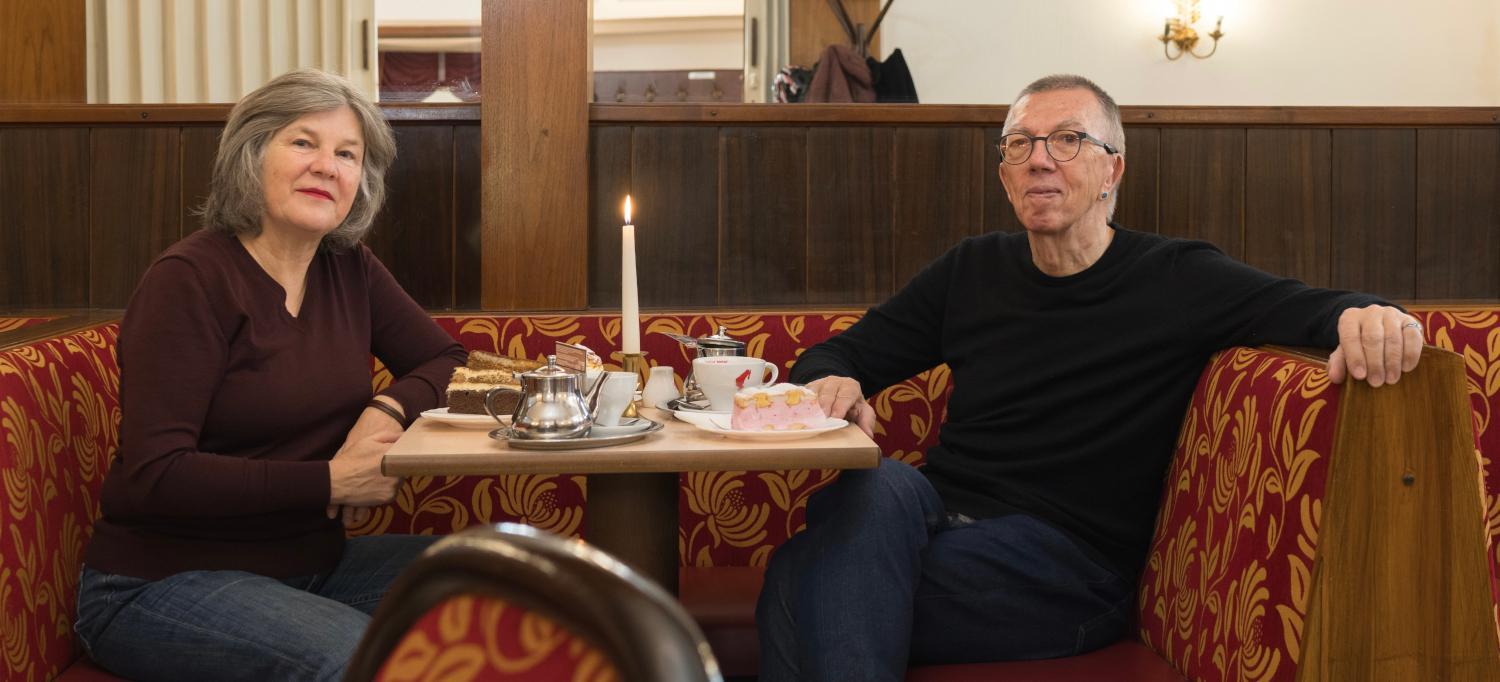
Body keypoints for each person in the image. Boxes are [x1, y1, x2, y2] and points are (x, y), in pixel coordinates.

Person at [755, 74, 1424, 680]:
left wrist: (1371, 317)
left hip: (1069, 569)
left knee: (799, 575)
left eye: (1068, 140)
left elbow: (1311, 307)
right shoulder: (972, 270)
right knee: (876, 484)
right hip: (936, 520)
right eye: (1020, 145)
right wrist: (834, 381)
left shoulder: (1176, 278)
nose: (1040, 159)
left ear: (1112, 169)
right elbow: (838, 354)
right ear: (1005, 176)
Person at [74, 69, 467, 680]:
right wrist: (331, 481)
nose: (326, 166)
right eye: (303, 142)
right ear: (251, 154)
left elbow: (447, 361)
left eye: (347, 154)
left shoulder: (349, 267)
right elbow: (156, 475)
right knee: (358, 660)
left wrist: (384, 410)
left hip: (312, 569)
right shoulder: (189, 280)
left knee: (520, 580)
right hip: (160, 581)